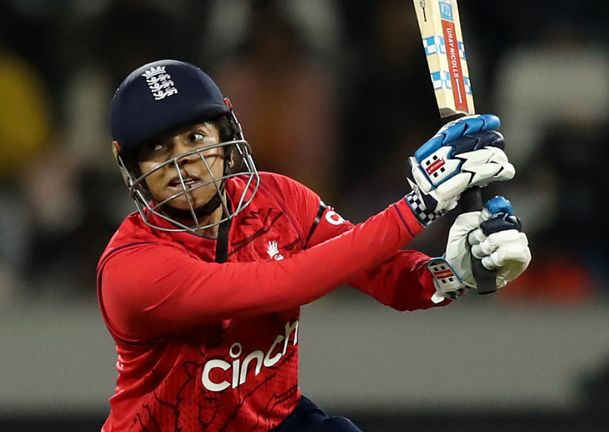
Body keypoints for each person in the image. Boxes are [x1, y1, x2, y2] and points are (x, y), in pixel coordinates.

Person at [97, 59, 531, 431]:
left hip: (273, 421)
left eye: (195, 138)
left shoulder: (279, 199)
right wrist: (417, 208)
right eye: (157, 149)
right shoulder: (132, 268)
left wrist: (450, 274)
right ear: (131, 170)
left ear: (226, 139)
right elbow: (281, 284)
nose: (181, 162)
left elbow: (381, 274)